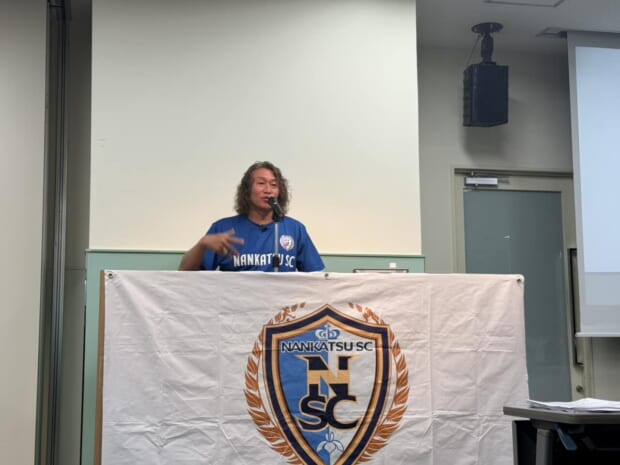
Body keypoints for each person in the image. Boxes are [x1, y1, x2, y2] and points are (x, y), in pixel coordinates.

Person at [179, 161, 324, 272]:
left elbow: (316, 279)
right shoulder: (223, 228)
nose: (268, 190)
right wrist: (202, 245)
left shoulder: (295, 229)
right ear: (247, 190)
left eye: (274, 185)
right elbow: (185, 275)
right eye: (261, 183)